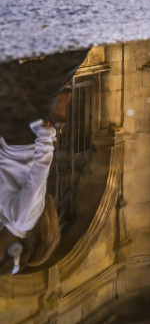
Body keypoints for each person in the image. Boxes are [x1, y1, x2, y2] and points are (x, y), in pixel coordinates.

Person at [0, 47, 89, 274]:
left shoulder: (9, 220)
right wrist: (47, 136)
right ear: (12, 251)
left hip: (12, 138)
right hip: (19, 137)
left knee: (15, 72)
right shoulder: (22, 220)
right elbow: (38, 175)